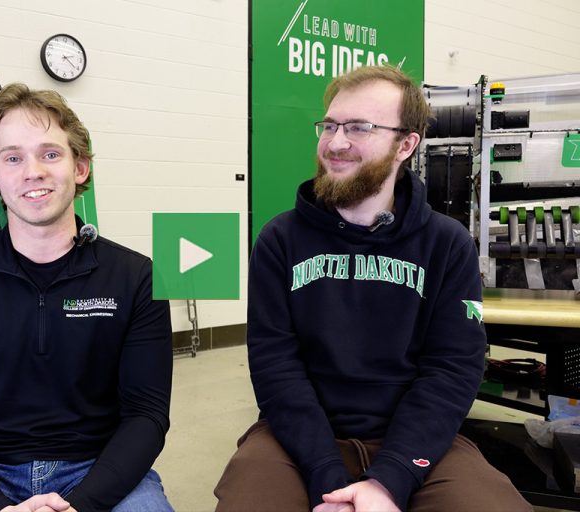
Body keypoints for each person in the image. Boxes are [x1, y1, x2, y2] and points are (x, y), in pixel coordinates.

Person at [214, 66, 531, 512]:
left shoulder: (447, 244)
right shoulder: (279, 240)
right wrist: (326, 474)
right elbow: (275, 367)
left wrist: (389, 480)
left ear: (406, 145)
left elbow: (452, 369)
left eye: (359, 127)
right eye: (330, 125)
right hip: (299, 440)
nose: (335, 142)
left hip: (413, 440)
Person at [0, 83, 174, 512]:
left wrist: (83, 504)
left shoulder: (134, 277)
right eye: (13, 158)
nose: (33, 171)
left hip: (99, 471)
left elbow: (146, 416)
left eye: (50, 154)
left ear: (80, 167)